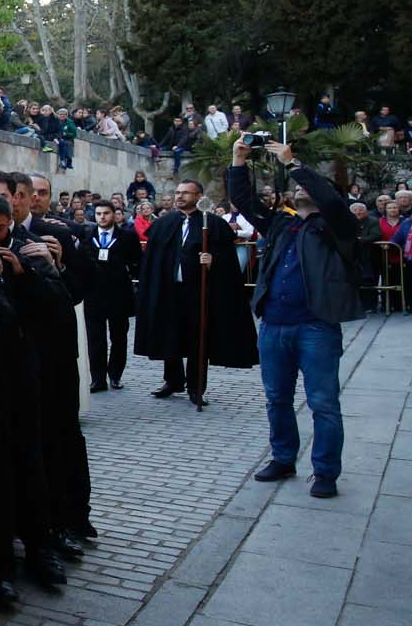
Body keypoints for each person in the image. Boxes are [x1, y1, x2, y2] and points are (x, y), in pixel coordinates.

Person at [229, 138, 361, 498]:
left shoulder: (338, 227)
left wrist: (293, 163)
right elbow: (243, 202)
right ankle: (284, 458)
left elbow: (332, 201)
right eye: (297, 186)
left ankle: (325, 472)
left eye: (305, 186)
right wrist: (239, 161)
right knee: (276, 398)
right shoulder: (282, 226)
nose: (299, 188)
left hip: (315, 327)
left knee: (323, 403)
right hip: (273, 326)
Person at [135, 176, 257, 408]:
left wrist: (213, 261)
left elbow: (228, 261)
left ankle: (196, 386)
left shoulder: (213, 224)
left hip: (199, 293)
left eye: (186, 193)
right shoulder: (164, 223)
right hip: (169, 291)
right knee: (170, 336)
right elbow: (153, 260)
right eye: (178, 192)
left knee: (197, 339)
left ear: (199, 197)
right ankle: (173, 381)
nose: (180, 196)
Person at [81, 200, 142, 392]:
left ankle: (115, 375)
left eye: (106, 213)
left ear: (115, 214)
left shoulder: (127, 236)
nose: (102, 217)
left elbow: (137, 261)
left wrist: (126, 273)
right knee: (95, 338)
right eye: (98, 214)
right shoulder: (88, 234)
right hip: (94, 294)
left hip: (119, 294)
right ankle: (98, 379)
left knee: (118, 337)